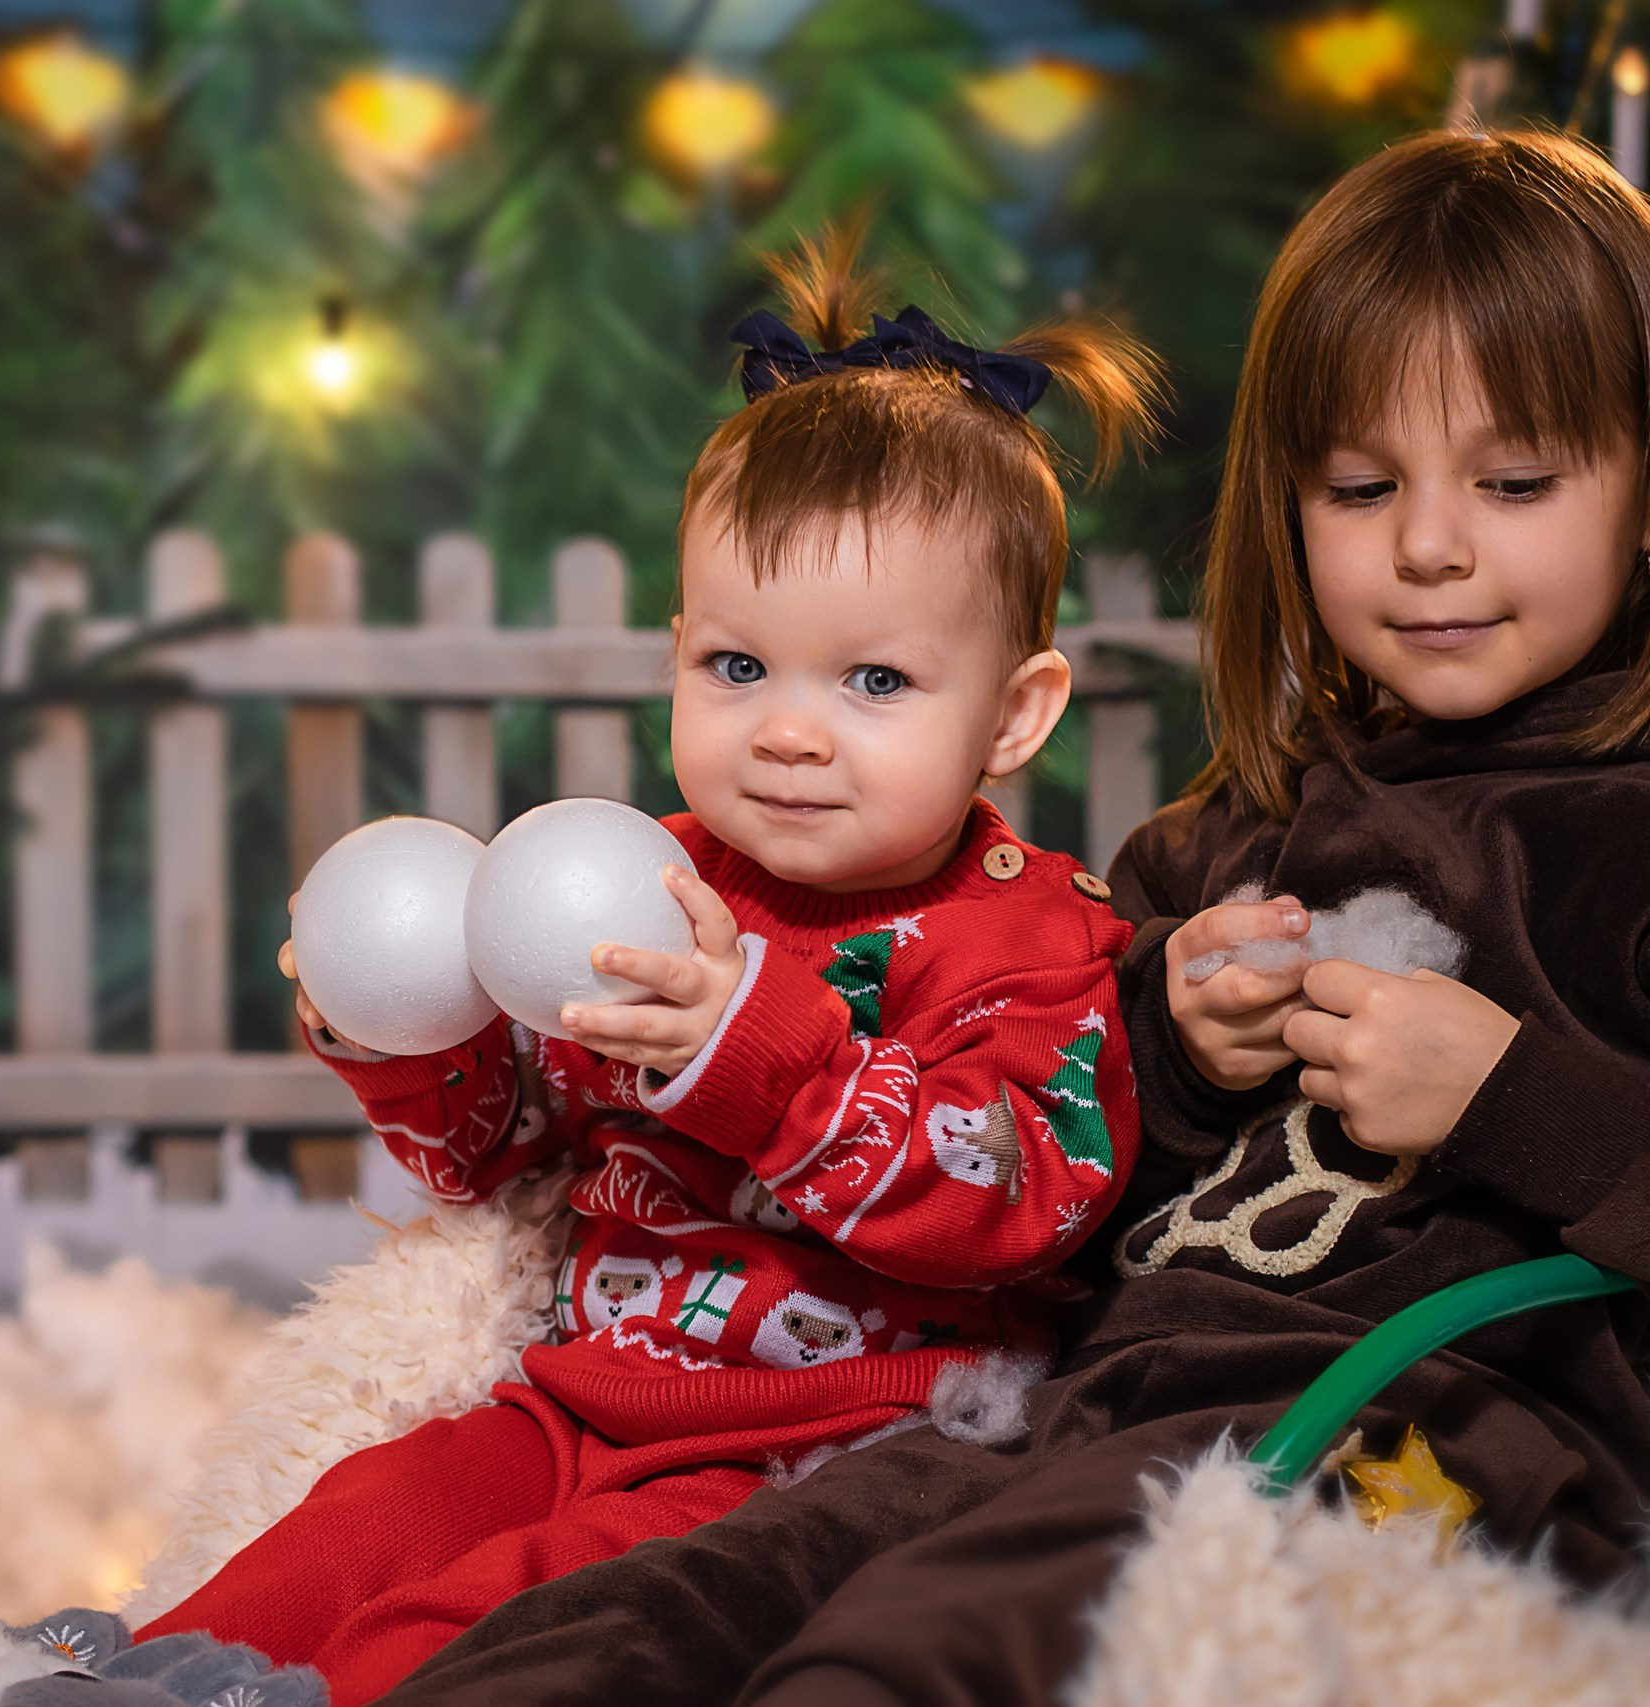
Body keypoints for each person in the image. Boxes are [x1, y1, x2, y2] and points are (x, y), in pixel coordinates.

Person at [370, 128, 1650, 1707]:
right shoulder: (1227, 834)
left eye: (1516, 482)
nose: (1429, 544)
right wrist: (1179, 1057)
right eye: (1360, 486)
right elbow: (1036, 1181)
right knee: (653, 1615)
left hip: (1410, 1441)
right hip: (1077, 1407)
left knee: (908, 1653)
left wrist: (1517, 1100)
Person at [112, 222, 1164, 1707]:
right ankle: (136, 1679)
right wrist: (413, 1034)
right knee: (354, 1528)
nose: (791, 730)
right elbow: (513, 1155)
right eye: (738, 667)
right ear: (677, 654)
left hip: (825, 1444)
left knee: (501, 1615)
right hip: (583, 1393)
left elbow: (1023, 1198)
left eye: (875, 681)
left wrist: (762, 1052)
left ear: (1014, 714)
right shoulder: (639, 879)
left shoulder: (1027, 936)